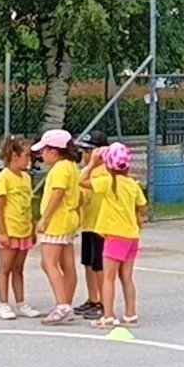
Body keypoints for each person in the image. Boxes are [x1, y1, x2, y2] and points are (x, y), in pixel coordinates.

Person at [79, 143, 147, 329]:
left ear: (108, 165)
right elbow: (142, 206)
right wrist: (136, 218)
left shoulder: (107, 182)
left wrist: (92, 163)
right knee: (127, 277)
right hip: (131, 236)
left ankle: (108, 316)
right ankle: (131, 314)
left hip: (114, 236)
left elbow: (81, 180)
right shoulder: (132, 185)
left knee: (108, 277)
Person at [32, 129, 82, 326]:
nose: (41, 155)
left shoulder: (60, 169)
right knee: (67, 264)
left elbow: (58, 193)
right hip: (68, 219)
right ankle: (65, 303)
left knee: (49, 263)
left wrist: (45, 218)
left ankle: (62, 305)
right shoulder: (70, 166)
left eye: (43, 151)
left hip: (58, 221)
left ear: (54, 151)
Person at [0, 135, 40, 320]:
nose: (29, 160)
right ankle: (4, 304)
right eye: (26, 156)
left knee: (19, 268)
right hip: (9, 231)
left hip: (23, 230)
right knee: (5, 267)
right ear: (14, 155)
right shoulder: (4, 177)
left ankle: (21, 303)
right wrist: (3, 232)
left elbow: (27, 205)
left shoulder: (26, 178)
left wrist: (32, 228)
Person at [74, 130, 110, 319]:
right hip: (88, 224)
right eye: (84, 151)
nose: (86, 155)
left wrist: (94, 163)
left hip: (100, 226)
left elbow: (83, 182)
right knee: (88, 263)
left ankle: (104, 302)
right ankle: (92, 298)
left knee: (99, 266)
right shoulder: (88, 169)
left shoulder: (104, 171)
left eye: (90, 151)